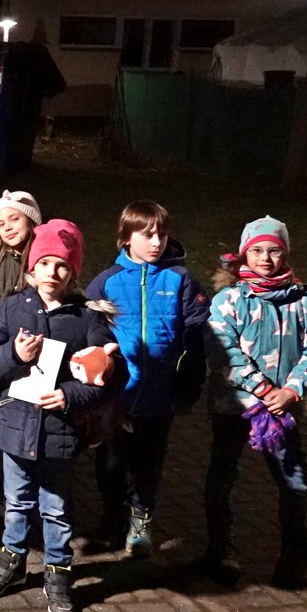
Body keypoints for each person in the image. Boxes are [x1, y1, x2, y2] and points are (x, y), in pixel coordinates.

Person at [0, 220, 122, 612]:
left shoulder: (86, 318)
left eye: (62, 266)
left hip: (60, 431)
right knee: (16, 501)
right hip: (15, 427)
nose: (52, 272)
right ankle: (13, 560)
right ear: (31, 267)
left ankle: (58, 570)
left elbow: (114, 375)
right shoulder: (12, 308)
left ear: (73, 272)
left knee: (55, 507)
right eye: (44, 263)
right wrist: (15, 355)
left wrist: (71, 395)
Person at [202, 216, 307, 594]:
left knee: (295, 481)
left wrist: (291, 391)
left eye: (274, 251)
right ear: (244, 254)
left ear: (286, 254)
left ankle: (296, 560)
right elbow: (223, 352)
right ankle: (220, 550)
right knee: (223, 477)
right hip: (235, 407)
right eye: (258, 250)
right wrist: (263, 390)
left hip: (283, 410)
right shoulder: (230, 300)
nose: (266, 258)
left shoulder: (303, 299)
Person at [82, 201, 209, 557]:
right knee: (110, 464)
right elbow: (91, 331)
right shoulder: (107, 282)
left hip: (159, 395)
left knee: (148, 464)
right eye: (147, 234)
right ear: (126, 238)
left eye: (162, 234)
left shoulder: (180, 279)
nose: (156, 242)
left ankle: (141, 518)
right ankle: (112, 517)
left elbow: (196, 332)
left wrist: (188, 382)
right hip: (117, 395)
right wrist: (98, 370)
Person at [0, 190, 43, 430]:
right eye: (1, 224)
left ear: (32, 220)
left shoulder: (42, 261)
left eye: (15, 219)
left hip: (31, 345)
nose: (8, 227)